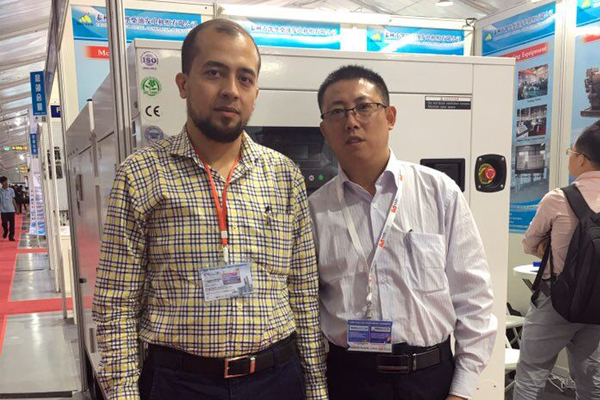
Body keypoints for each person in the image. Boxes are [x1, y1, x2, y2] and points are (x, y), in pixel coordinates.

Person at [93, 19, 327, 400]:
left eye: (245, 78)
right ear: (183, 83)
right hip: (180, 383)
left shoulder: (284, 176)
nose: (231, 90)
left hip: (276, 379)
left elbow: (302, 292)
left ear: (255, 92)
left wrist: (316, 387)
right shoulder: (140, 174)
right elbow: (116, 304)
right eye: (214, 73)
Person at [308, 65, 497, 400]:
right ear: (325, 130)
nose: (351, 121)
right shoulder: (314, 210)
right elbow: (308, 306)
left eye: (364, 107)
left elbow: (474, 298)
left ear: (390, 116)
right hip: (349, 380)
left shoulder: (438, 192)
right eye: (337, 112)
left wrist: (462, 390)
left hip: (429, 378)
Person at [514, 121, 600, 400]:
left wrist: (550, 250)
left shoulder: (559, 198)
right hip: (597, 304)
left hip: (556, 300)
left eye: (571, 152)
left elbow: (529, 243)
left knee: (531, 375)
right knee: (591, 380)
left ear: (582, 159)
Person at [0, 176, 19, 241]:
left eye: (6, 181)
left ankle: (11, 237)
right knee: (4, 223)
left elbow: (13, 200)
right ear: (1, 183)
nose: (6, 183)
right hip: (3, 210)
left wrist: (16, 209)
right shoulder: (0, 191)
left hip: (11, 210)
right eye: (4, 182)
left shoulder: (11, 190)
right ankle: (5, 230)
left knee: (12, 224)